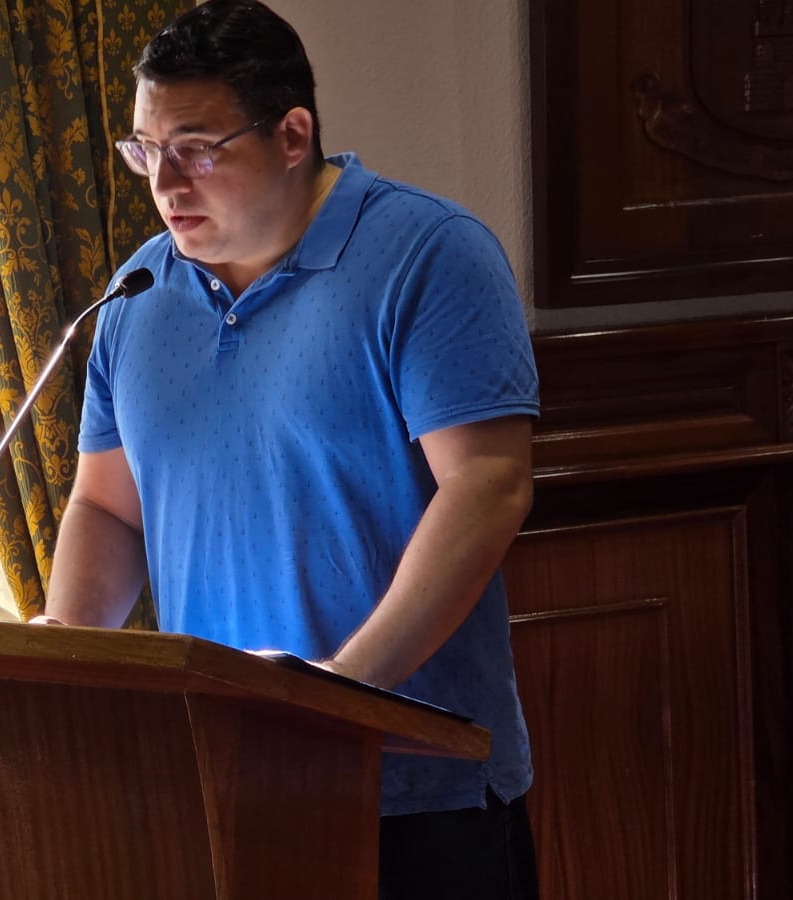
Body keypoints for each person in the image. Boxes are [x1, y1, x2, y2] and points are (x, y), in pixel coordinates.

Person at [39, 2, 540, 896]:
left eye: (197, 149)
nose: (166, 183)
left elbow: (489, 486)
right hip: (217, 778)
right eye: (146, 151)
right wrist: (71, 656)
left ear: (293, 134)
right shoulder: (137, 291)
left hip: (414, 792)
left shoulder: (429, 255)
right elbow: (110, 509)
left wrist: (339, 693)